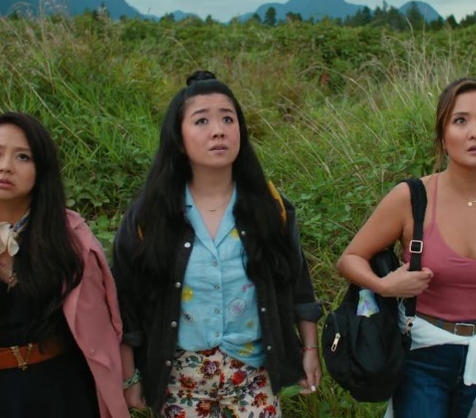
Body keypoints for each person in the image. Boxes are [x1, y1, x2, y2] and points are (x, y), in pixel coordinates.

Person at [337, 77, 476, 417]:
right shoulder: (412, 198)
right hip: (423, 356)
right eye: (461, 120)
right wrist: (385, 285)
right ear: (443, 138)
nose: (475, 132)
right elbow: (350, 259)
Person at [112, 71, 322, 417]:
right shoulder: (150, 215)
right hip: (180, 378)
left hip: (254, 373)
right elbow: (125, 298)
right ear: (178, 138)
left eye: (228, 118)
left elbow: (297, 282)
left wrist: (309, 348)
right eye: (201, 121)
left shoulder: (271, 207)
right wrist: (129, 374)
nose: (218, 130)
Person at [0, 112, 129, 417]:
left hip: (59, 393)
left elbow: (103, 328)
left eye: (23, 157)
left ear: (41, 169)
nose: (5, 166)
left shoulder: (71, 240)